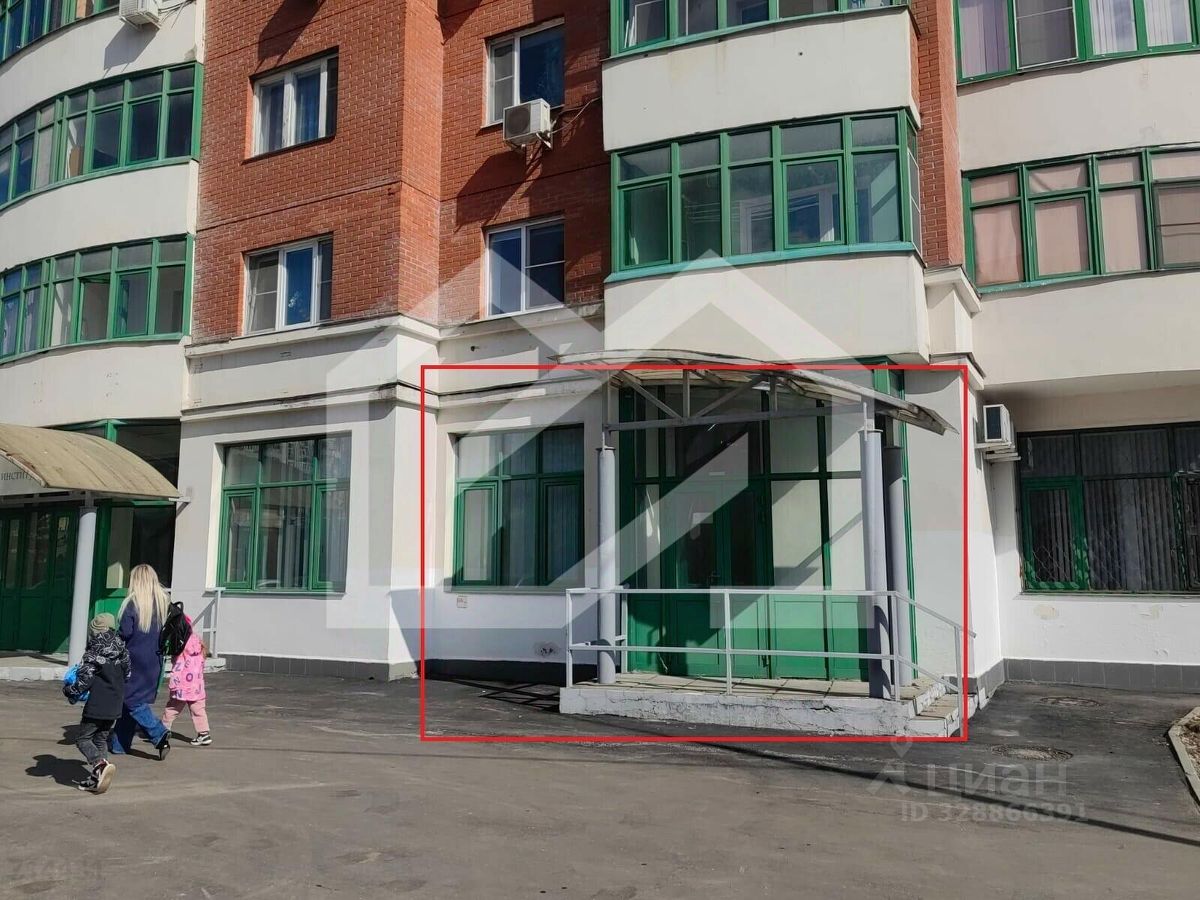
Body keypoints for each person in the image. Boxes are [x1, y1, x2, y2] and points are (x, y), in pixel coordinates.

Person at [62, 613, 130, 794]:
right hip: (116, 702)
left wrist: (69, 690)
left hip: (98, 704)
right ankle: (98, 778)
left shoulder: (93, 652)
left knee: (83, 739)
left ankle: (99, 765)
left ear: (95, 631)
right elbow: (128, 674)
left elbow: (85, 680)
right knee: (100, 739)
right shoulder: (123, 650)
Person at [110, 564, 172, 760]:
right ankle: (119, 745)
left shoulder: (132, 603)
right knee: (128, 702)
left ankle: (158, 732)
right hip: (154, 660)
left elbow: (125, 633)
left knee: (132, 700)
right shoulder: (162, 602)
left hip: (132, 660)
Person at [162, 616, 211, 746]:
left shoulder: (180, 644)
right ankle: (204, 734)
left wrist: (173, 683)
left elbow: (178, 666)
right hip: (197, 685)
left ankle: (162, 730)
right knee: (198, 709)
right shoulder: (198, 642)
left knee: (172, 707)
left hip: (182, 686)